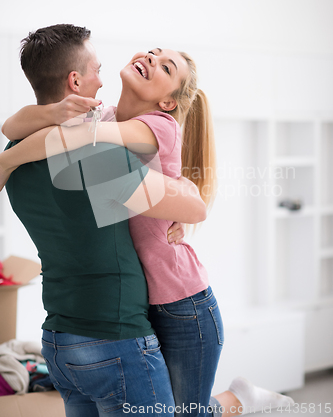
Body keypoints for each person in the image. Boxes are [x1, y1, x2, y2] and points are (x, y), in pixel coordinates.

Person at [0, 27, 295, 416]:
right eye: (96, 69)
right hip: (118, 329)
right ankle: (239, 400)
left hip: (116, 319)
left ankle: (240, 399)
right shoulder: (99, 147)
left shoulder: (32, 147)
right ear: (75, 80)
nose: (102, 78)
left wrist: (7, 160)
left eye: (165, 64)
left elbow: (194, 207)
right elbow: (47, 135)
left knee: (185, 411)